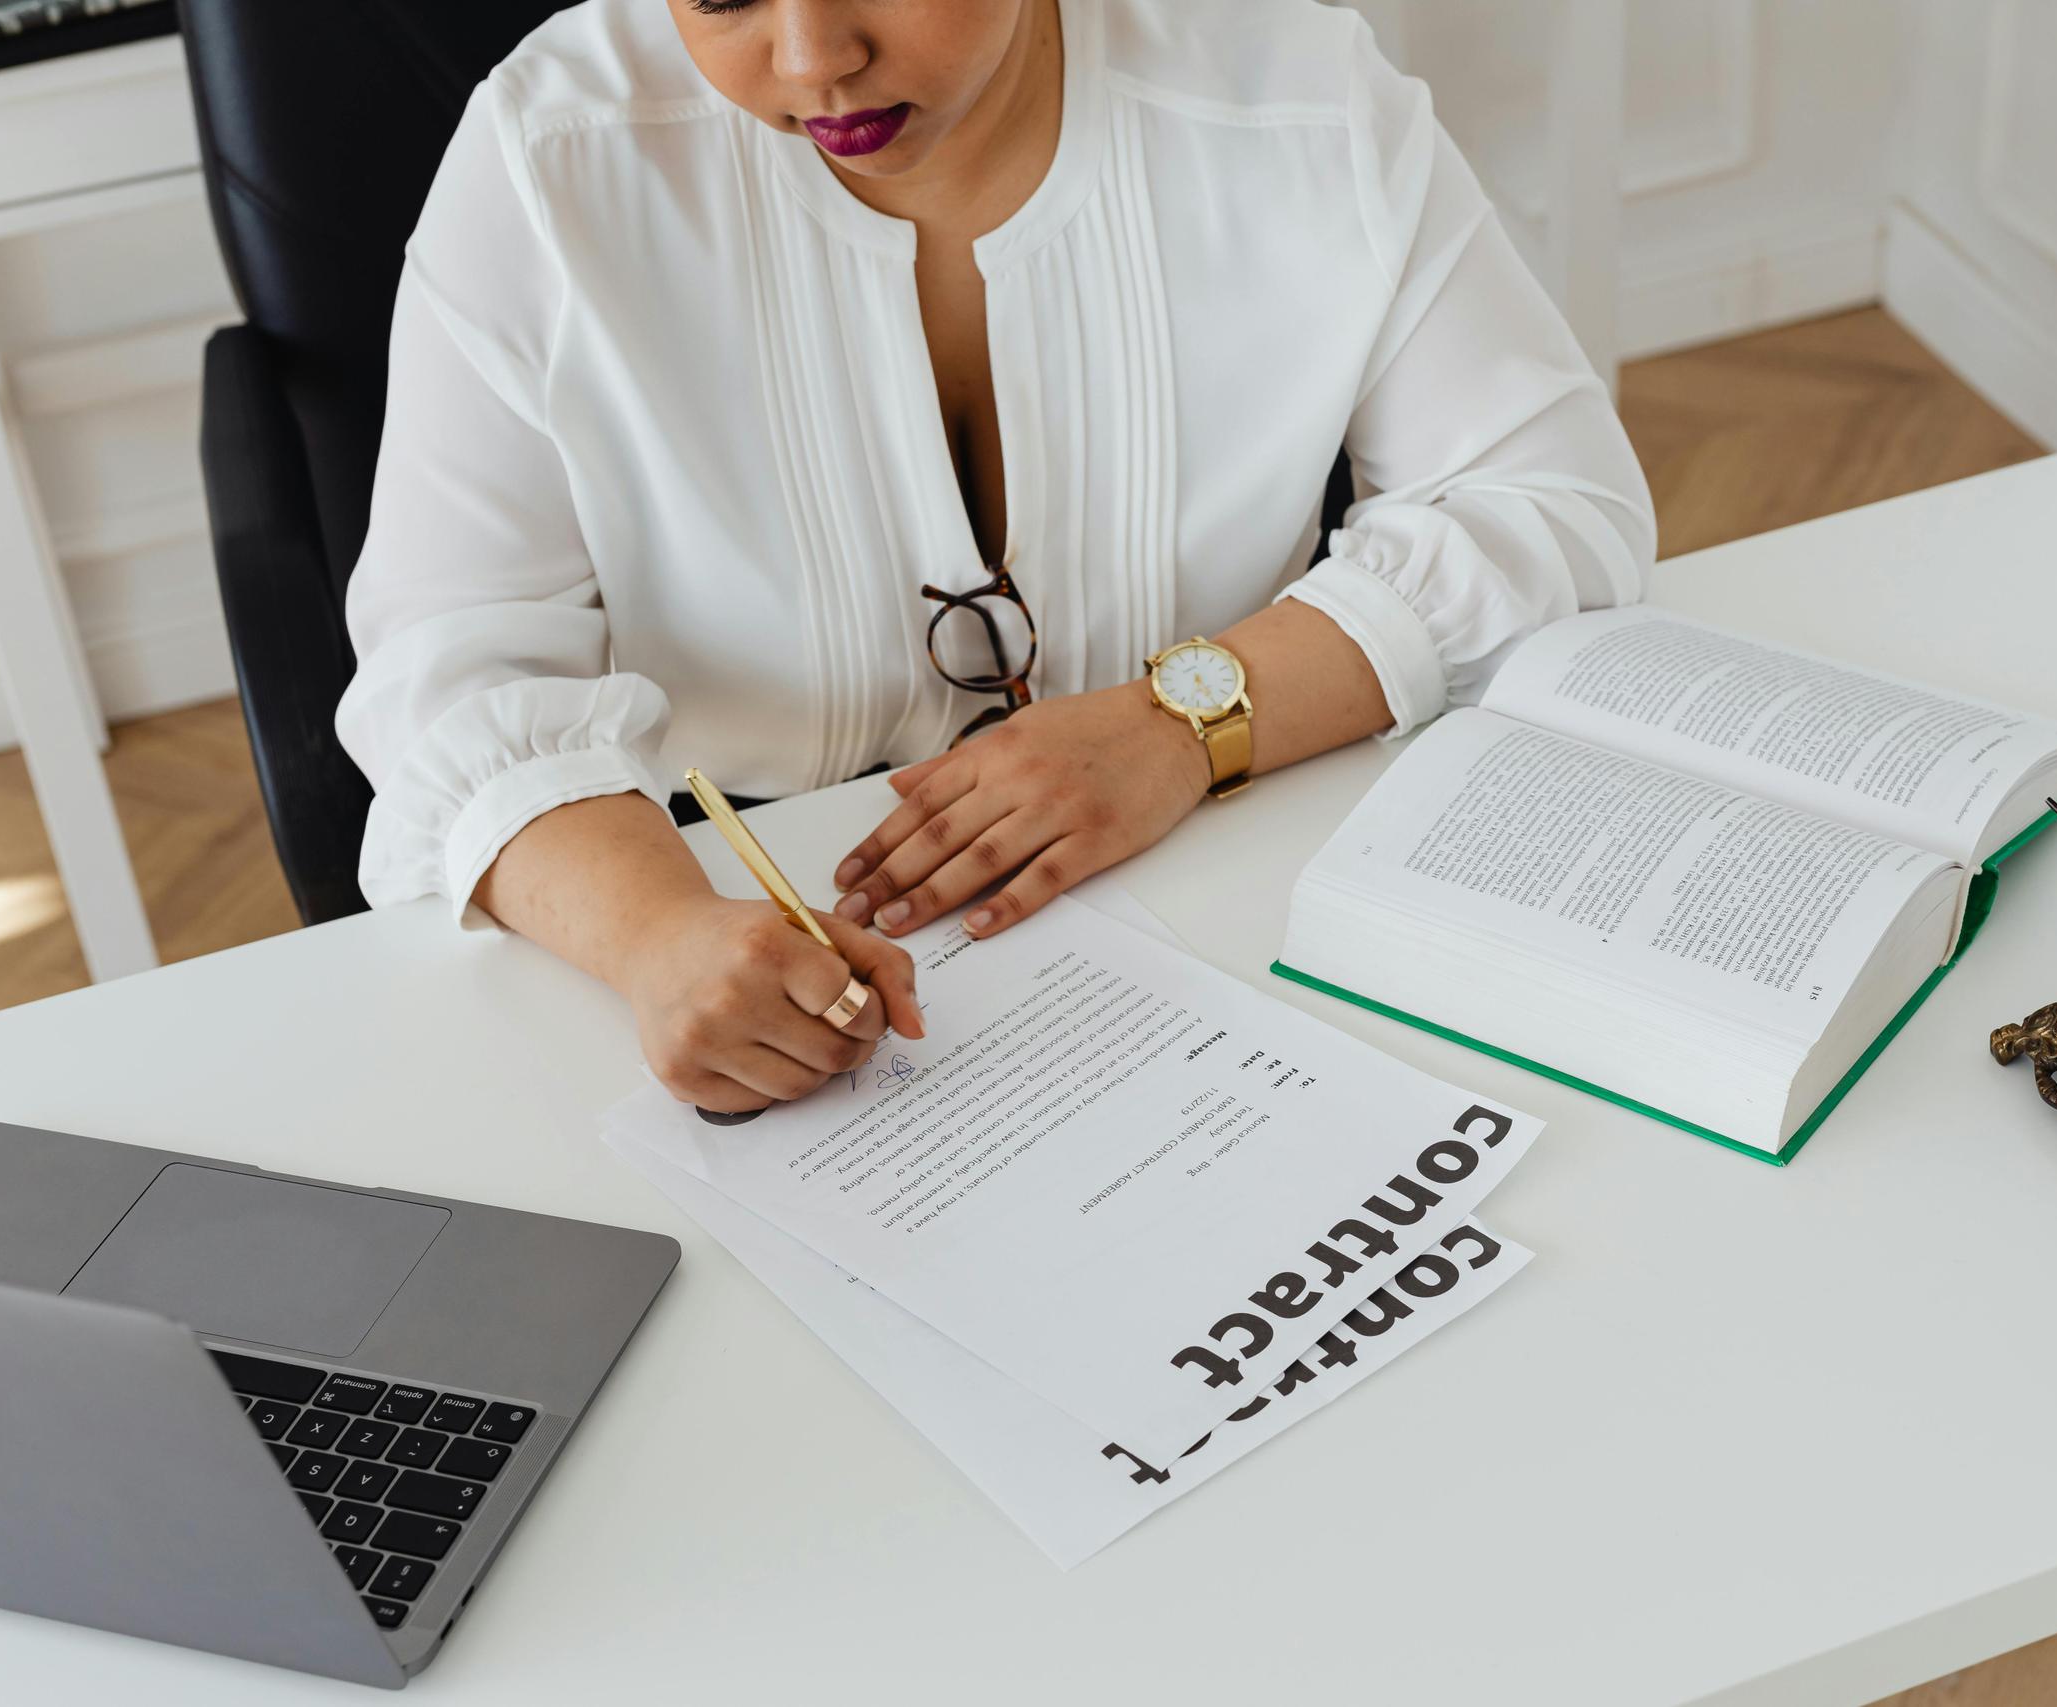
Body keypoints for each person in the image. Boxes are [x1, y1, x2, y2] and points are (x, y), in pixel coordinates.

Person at [336, 0, 1654, 1114]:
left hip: (1231, 872)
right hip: (730, 902)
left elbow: (1553, 503)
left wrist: (1181, 721)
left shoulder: (1296, 95)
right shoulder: (551, 155)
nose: (812, 61)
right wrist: (657, 934)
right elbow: (446, 665)